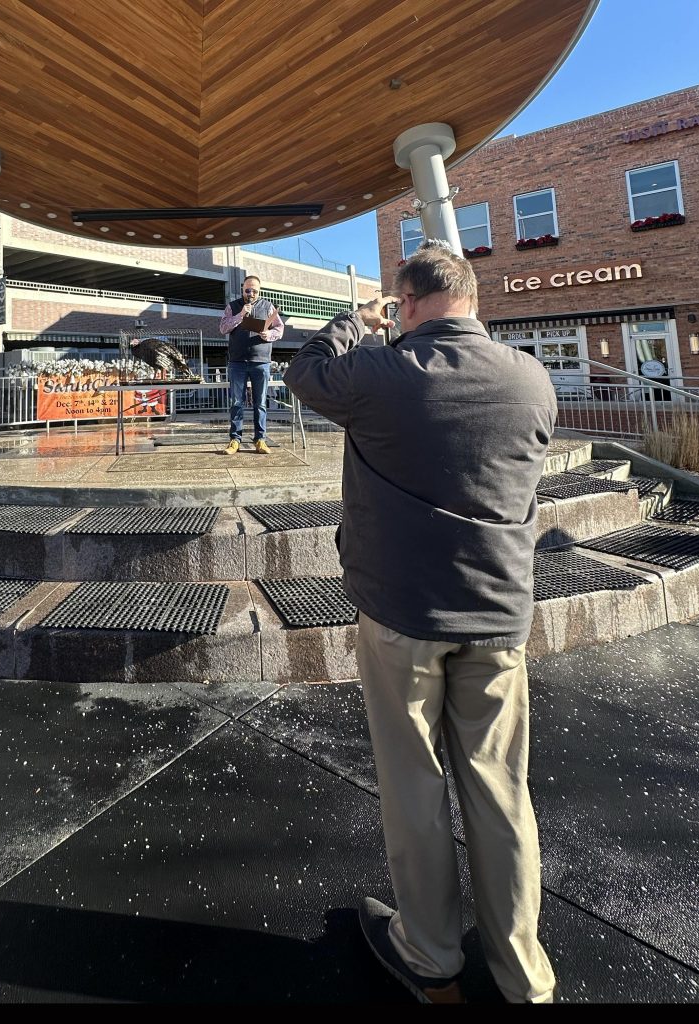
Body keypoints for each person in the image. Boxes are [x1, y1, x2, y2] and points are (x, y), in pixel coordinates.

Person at [283, 240, 558, 1004]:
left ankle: (430, 952)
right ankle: (522, 971)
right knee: (502, 789)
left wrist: (354, 320)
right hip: (499, 613)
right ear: (472, 297)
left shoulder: (383, 371)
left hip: (403, 612)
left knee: (415, 782)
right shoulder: (531, 380)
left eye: (396, 307)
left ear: (407, 305)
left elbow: (303, 371)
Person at [219, 275, 284, 454]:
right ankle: (235, 440)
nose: (251, 293)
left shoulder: (268, 306)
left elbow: (279, 328)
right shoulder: (233, 306)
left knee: (260, 402)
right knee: (236, 402)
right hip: (237, 362)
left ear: (259, 291)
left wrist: (268, 335)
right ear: (242, 289)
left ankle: (260, 440)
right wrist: (240, 315)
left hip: (261, 362)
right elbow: (223, 328)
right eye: (248, 290)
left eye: (254, 290)